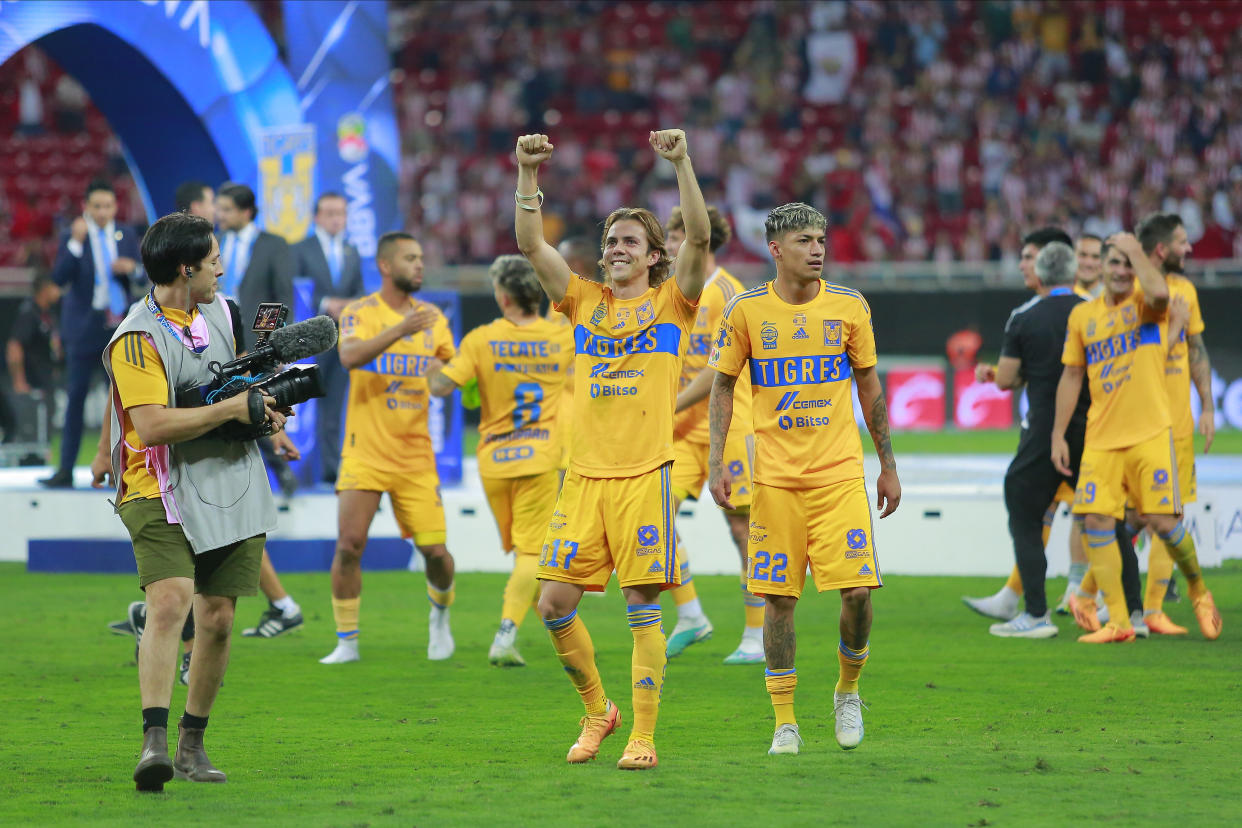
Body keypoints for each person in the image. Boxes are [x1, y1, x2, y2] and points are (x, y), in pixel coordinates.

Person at [515, 129, 710, 770]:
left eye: (628, 241)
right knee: (552, 606)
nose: (614, 249)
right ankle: (599, 711)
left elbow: (701, 239)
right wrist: (527, 173)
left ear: (656, 256)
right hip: (583, 478)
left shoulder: (673, 303)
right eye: (609, 242)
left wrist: (680, 163)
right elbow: (530, 243)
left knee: (642, 607)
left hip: (644, 475)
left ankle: (644, 737)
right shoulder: (582, 301)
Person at [706, 202, 901, 756]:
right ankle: (785, 720)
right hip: (774, 482)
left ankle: (847, 690)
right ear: (775, 250)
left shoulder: (848, 306)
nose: (817, 249)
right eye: (804, 241)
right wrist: (718, 461)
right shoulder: (747, 311)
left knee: (859, 593)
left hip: (839, 474)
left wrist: (887, 465)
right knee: (778, 602)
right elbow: (722, 387)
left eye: (821, 239)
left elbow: (870, 386)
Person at [99, 212, 284, 791]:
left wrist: (265, 415)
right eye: (214, 258)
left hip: (226, 476)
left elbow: (234, 388)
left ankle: (192, 744)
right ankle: (152, 740)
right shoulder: (136, 338)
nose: (222, 266)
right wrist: (231, 412)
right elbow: (151, 427)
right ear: (186, 268)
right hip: (155, 483)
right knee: (171, 600)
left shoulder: (224, 314)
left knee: (221, 618)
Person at [1051, 234, 1221, 643]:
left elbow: (1160, 290)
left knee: (1163, 522)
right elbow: (1072, 375)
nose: (1122, 271)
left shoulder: (1147, 305)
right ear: (1103, 268)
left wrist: (1135, 250)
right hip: (1101, 438)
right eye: (1116, 263)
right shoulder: (1082, 317)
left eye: (1129, 265)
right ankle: (1121, 622)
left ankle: (1198, 589)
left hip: (1149, 434)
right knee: (1095, 519)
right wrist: (1058, 433)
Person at [319, 232, 458, 664]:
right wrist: (400, 330)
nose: (419, 265)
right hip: (365, 451)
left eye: (420, 258)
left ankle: (439, 614)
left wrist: (442, 375)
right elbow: (349, 357)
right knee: (349, 545)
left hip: (416, 455)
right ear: (385, 265)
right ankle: (347, 641)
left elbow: (445, 379)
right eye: (410, 258)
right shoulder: (361, 311)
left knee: (435, 552)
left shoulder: (433, 316)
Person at [427, 255, 573, 666]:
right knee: (532, 554)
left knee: (523, 552)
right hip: (540, 458)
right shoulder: (561, 336)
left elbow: (441, 388)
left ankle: (534, 624)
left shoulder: (482, 339)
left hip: (493, 463)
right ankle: (506, 634)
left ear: (503, 296)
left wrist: (430, 362)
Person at [970, 242, 1090, 638]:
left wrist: (994, 374)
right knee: (1107, 515)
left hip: (1045, 430)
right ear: (1074, 271)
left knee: (1022, 504)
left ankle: (1035, 613)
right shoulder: (1095, 310)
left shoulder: (1025, 316)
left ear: (1039, 272)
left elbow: (1006, 378)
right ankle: (1129, 610)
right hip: (1096, 426)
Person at [663, 205, 763, 664]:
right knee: (655, 513)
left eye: (672, 233)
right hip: (682, 431)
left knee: (742, 528)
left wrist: (668, 404)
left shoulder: (728, 293)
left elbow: (716, 369)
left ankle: (756, 634)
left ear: (697, 238)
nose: (666, 242)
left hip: (730, 424)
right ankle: (690, 614)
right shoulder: (670, 292)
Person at [1132, 213, 1215, 635]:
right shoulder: (1134, 295)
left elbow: (1196, 348)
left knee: (1164, 514)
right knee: (1134, 516)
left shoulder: (1186, 290)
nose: (1189, 249)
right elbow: (1137, 360)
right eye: (1182, 242)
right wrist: (1175, 326)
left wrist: (1207, 406)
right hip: (1141, 423)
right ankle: (1097, 596)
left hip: (1177, 424)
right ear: (1161, 249)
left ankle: (1146, 608)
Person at [42, 179, 142, 488]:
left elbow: (145, 272)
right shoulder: (73, 237)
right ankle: (65, 470)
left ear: (115, 207)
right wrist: (73, 243)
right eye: (96, 206)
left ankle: (121, 468)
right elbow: (59, 278)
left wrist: (133, 269)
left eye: (108, 206)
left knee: (124, 401)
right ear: (85, 206)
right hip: (84, 328)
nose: (102, 212)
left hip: (118, 326)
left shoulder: (125, 235)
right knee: (76, 399)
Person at [292, 193, 364, 483]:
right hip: (308, 339)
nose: (336, 218)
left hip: (342, 338)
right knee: (303, 404)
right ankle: (300, 467)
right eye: (330, 212)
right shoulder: (300, 250)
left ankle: (330, 469)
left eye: (341, 213)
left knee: (334, 404)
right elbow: (294, 289)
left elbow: (360, 289)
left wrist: (351, 304)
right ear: (317, 217)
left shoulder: (351, 251)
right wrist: (324, 303)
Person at [215, 182, 294, 352]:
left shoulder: (273, 245)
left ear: (246, 212)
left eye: (227, 210)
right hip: (217, 338)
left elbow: (281, 296)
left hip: (255, 341)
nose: (219, 215)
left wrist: (272, 342)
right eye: (219, 209)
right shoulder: (214, 241)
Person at [546, 236, 599, 477]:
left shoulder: (606, 298)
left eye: (561, 260)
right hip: (564, 403)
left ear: (576, 264)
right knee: (562, 473)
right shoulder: (557, 301)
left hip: (597, 405)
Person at [5, 274, 61, 462]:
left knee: (44, 426)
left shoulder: (46, 313)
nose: (59, 292)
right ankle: (28, 460)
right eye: (55, 286)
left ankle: (41, 457)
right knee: (29, 431)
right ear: (45, 288)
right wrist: (19, 381)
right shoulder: (29, 313)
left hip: (44, 381)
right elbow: (14, 347)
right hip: (31, 384)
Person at [1073, 234, 1104, 298]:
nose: (1088, 263)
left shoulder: (1113, 299)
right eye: (1083, 255)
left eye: (1096, 257)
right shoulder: (1061, 295)